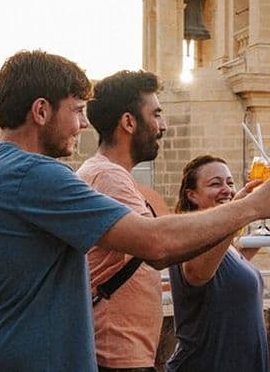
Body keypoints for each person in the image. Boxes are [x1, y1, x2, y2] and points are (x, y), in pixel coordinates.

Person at [0, 50, 270, 371]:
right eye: (75, 110)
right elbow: (157, 245)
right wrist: (251, 207)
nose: (83, 124)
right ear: (41, 111)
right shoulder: (35, 174)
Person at [77, 70, 168, 372]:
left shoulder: (104, 173)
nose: (162, 126)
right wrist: (247, 209)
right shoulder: (108, 176)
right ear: (128, 122)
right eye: (156, 114)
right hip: (117, 358)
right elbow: (159, 247)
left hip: (124, 355)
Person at [166, 155, 270, 372]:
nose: (227, 189)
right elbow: (198, 271)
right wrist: (245, 210)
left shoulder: (224, 244)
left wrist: (269, 232)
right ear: (192, 195)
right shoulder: (189, 240)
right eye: (216, 184)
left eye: (230, 183)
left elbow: (227, 269)